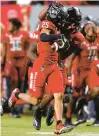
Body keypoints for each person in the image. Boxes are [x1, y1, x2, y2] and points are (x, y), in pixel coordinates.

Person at [8, 3, 69, 134]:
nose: (62, 18)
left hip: (53, 65)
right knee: (36, 100)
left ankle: (59, 125)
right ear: (54, 15)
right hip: (41, 65)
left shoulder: (57, 26)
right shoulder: (47, 23)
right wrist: (58, 37)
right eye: (61, 16)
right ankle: (16, 94)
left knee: (59, 95)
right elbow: (43, 37)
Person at [1, 18, 31, 117]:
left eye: (10, 24)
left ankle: (18, 109)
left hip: (22, 61)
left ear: (15, 25)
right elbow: (4, 52)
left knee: (21, 86)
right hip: (11, 61)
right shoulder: (6, 35)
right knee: (13, 85)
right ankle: (11, 109)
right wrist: (2, 64)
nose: (8, 26)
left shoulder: (25, 34)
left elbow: (28, 49)